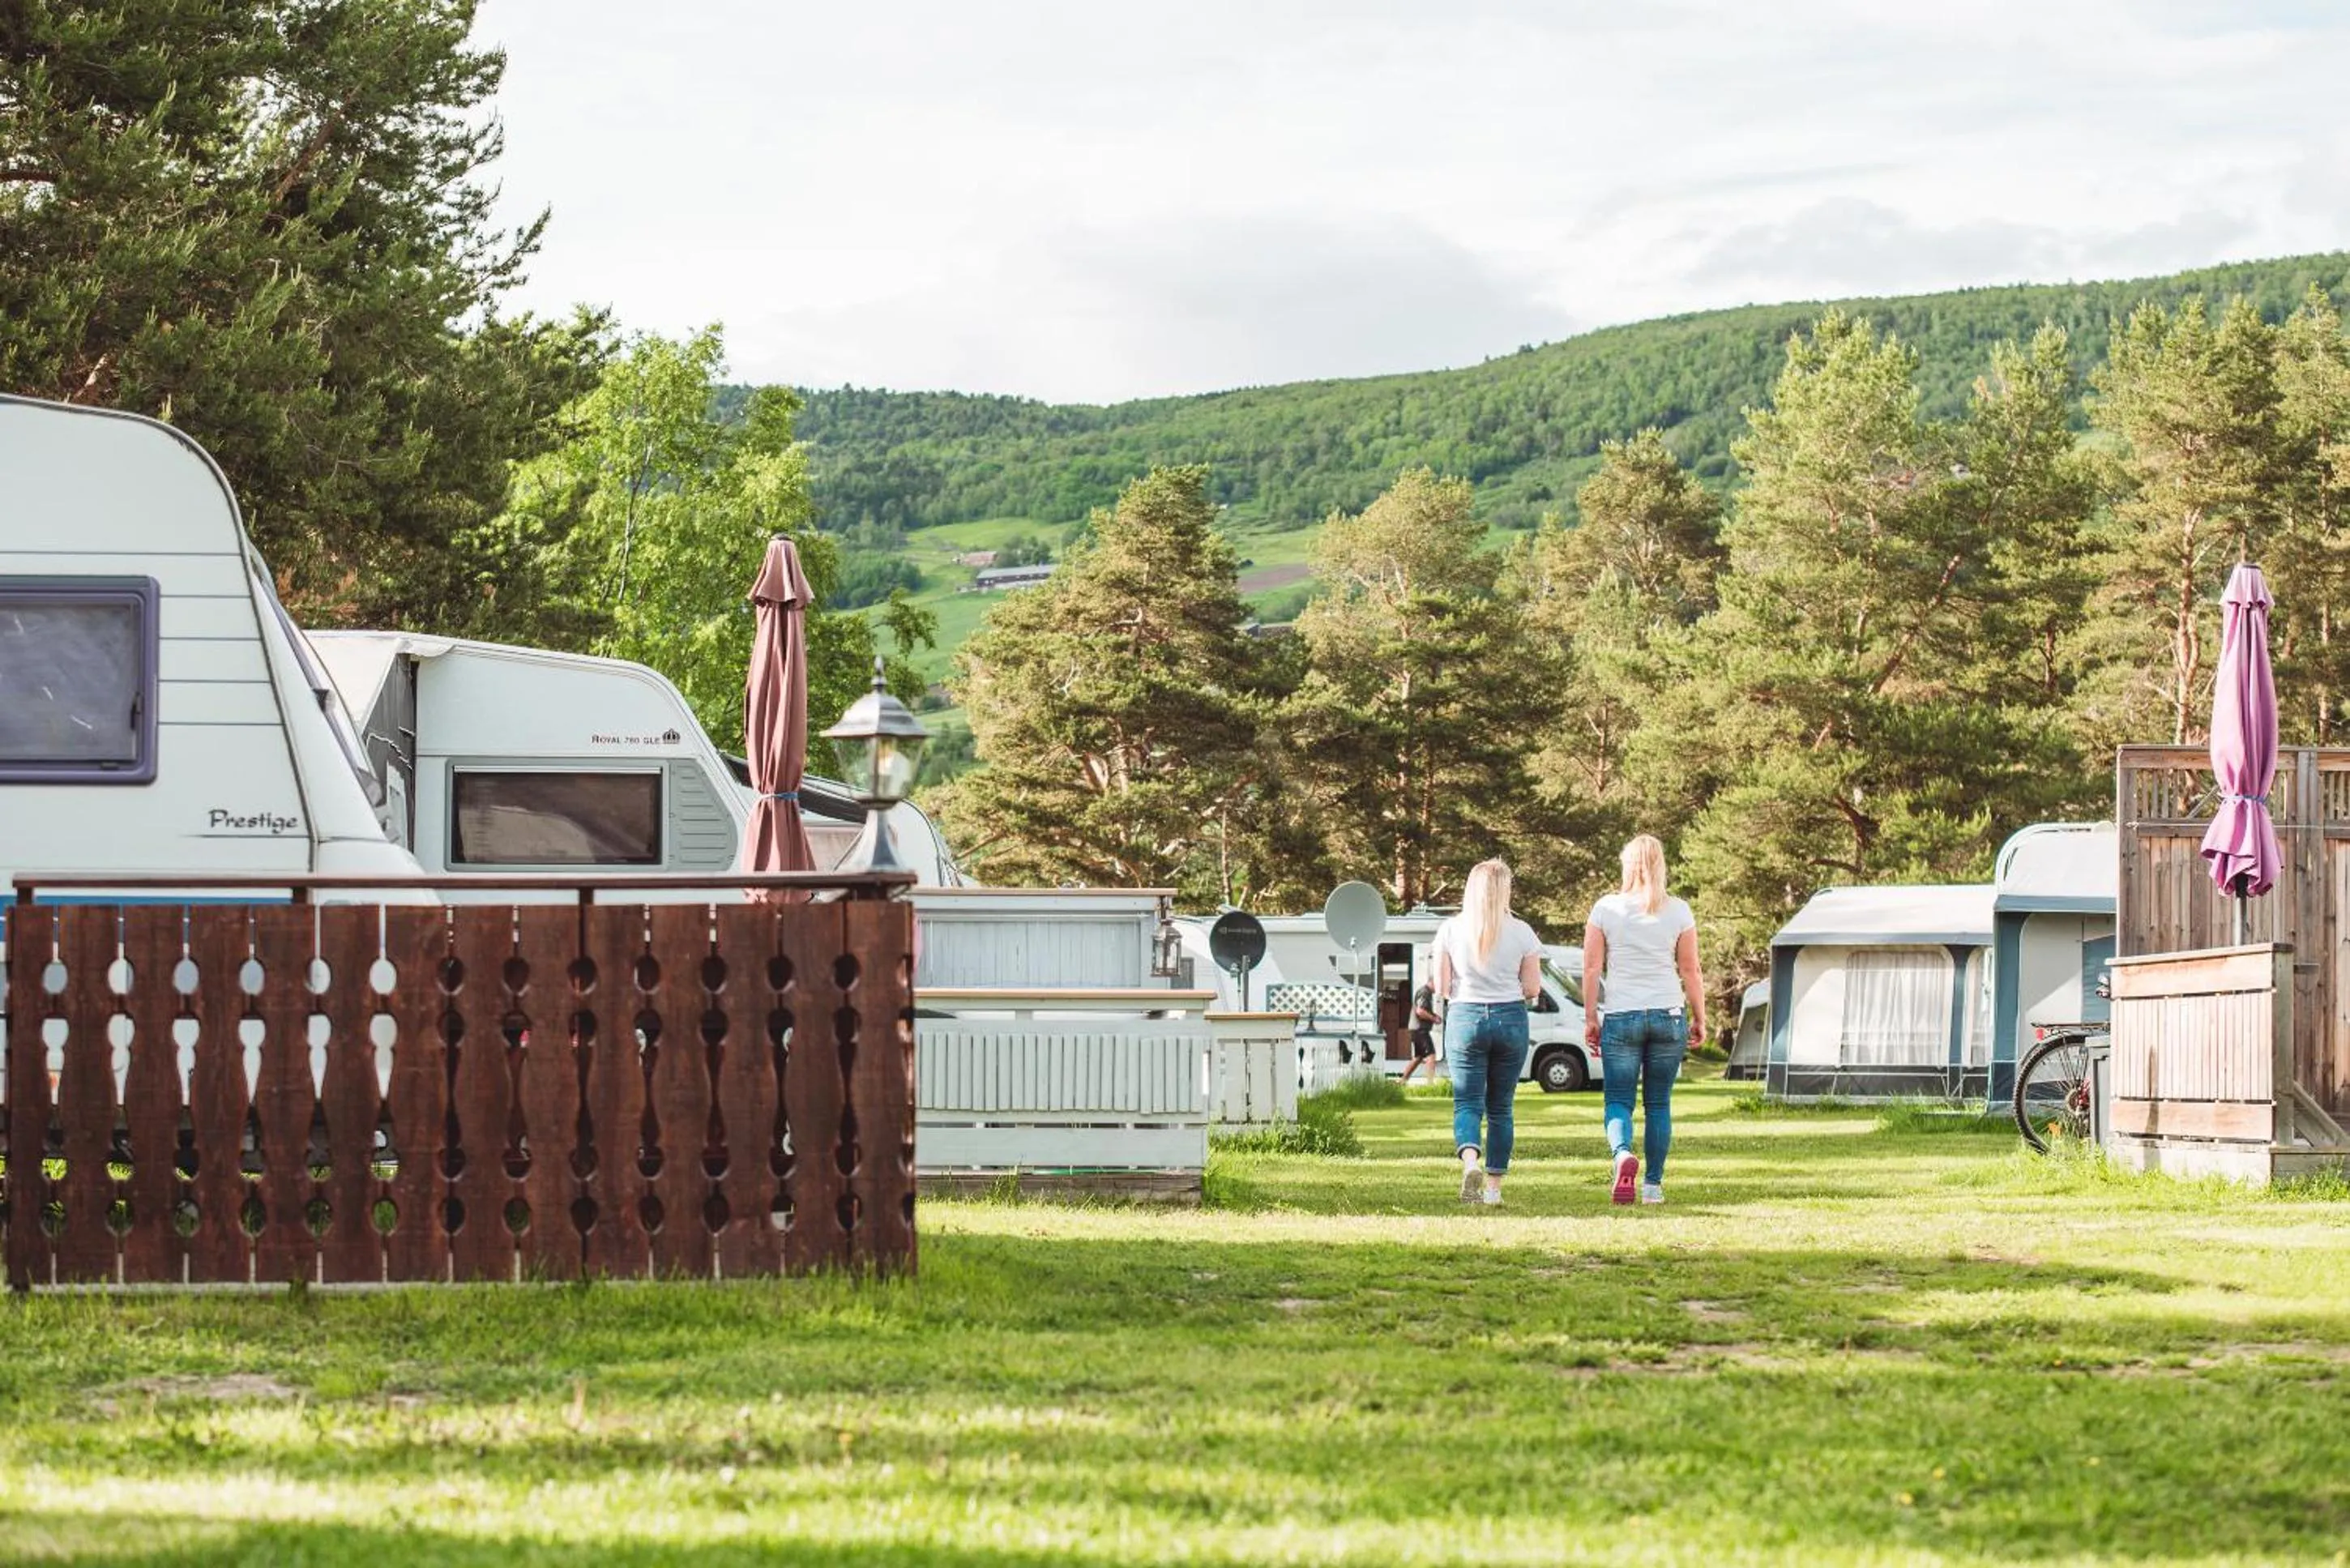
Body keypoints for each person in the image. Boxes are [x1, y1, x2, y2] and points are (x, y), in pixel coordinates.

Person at [1583, 835, 1705, 1207]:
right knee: (1658, 1103)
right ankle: (1652, 1186)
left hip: (1622, 1014)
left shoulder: (1606, 908)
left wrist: (1591, 1017)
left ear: (1627, 865)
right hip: (1669, 1014)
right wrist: (1699, 1016)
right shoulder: (1679, 910)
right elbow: (1690, 969)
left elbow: (1591, 967)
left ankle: (1622, 1154)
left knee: (1619, 1098)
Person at [1433, 859, 1544, 1207]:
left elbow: (1441, 986)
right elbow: (1532, 988)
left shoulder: (1450, 930)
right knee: (1501, 1107)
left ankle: (1470, 1163)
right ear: (1505, 890)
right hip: (1510, 1018)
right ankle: (1494, 1190)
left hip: (1466, 1016)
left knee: (1467, 1102)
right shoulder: (1523, 932)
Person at [1400, 978, 1441, 1084]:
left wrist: (1433, 1015)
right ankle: (1430, 1085)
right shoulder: (1425, 992)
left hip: (1416, 1029)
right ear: (1433, 982)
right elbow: (1420, 1011)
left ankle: (1402, 1081)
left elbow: (1423, 1010)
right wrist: (1434, 1019)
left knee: (1418, 1057)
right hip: (1420, 1029)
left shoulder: (1425, 992)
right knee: (1431, 1055)